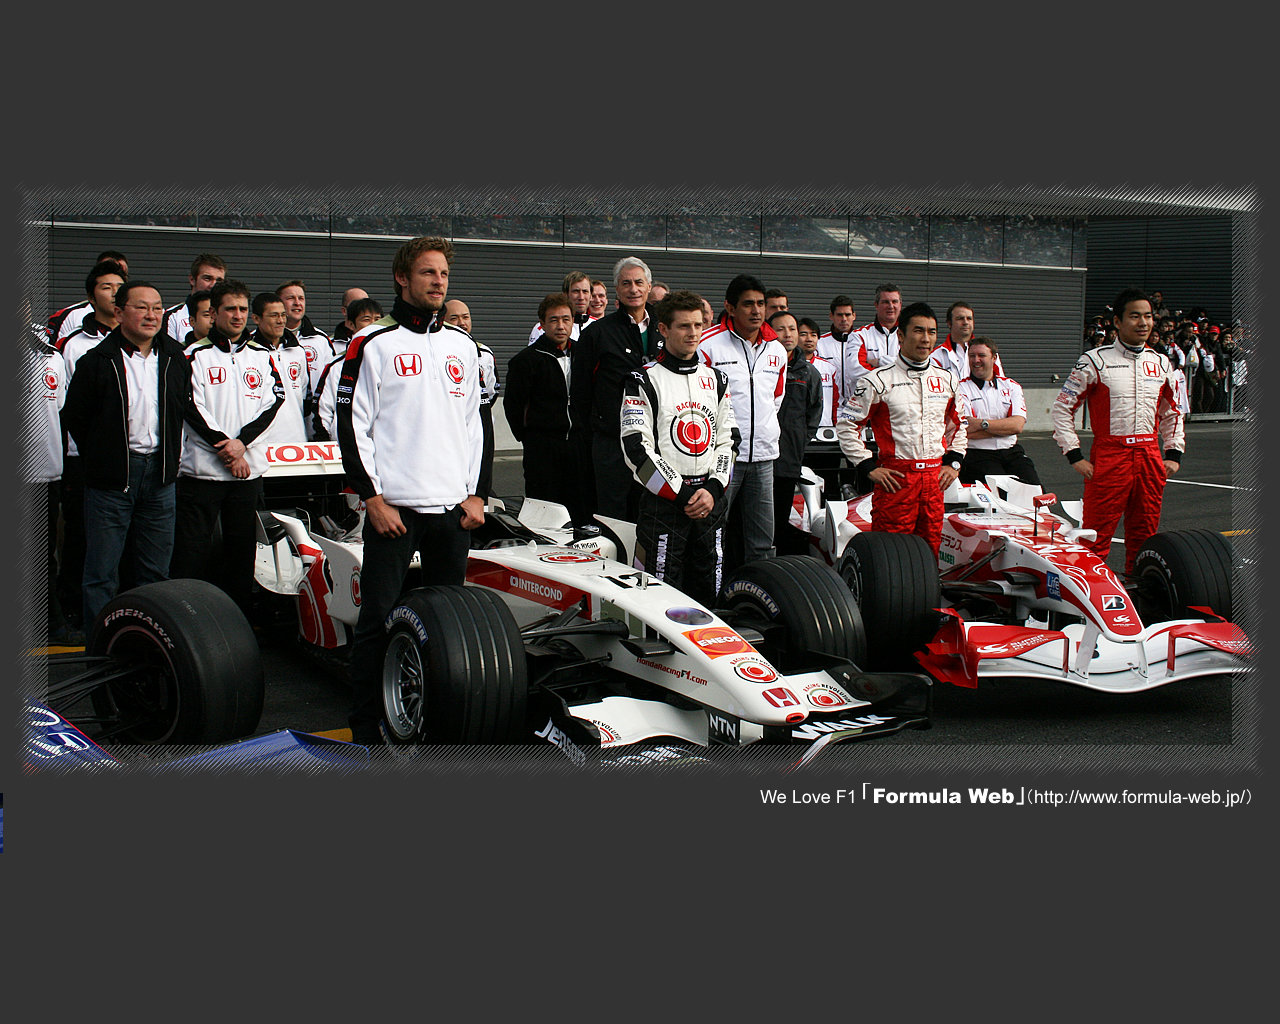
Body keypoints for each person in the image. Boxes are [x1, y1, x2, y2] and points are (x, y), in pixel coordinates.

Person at [335, 236, 486, 746]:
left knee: (447, 627)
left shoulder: (462, 345)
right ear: (402, 278)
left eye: (443, 273)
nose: (438, 282)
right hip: (394, 512)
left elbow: (475, 426)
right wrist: (372, 499)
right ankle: (365, 731)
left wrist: (476, 495)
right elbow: (352, 425)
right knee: (377, 621)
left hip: (453, 512)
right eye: (427, 272)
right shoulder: (372, 343)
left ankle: (434, 723)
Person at [62, 281, 191, 628]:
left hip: (160, 476)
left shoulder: (176, 358)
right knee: (102, 573)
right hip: (112, 479)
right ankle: (102, 646)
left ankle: (149, 641)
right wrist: (101, 458)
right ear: (119, 313)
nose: (152, 315)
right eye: (141, 307)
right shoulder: (96, 361)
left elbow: (181, 408)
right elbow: (75, 417)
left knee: (155, 572)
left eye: (157, 307)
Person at [171, 279, 285, 616]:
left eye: (242, 309)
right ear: (213, 313)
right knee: (192, 552)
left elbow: (273, 403)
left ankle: (236, 620)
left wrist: (241, 445)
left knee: (241, 555)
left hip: (247, 475)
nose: (237, 315)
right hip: (202, 474)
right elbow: (190, 407)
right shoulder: (193, 355)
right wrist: (227, 449)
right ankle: (187, 617)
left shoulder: (262, 356)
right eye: (230, 309)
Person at [1050, 287, 1184, 574]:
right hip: (1110, 455)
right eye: (1135, 316)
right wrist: (1074, 455)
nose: (1143, 323)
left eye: (1148, 316)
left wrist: (1173, 453)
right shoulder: (1094, 360)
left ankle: (1142, 592)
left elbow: (1172, 411)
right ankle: (1090, 592)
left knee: (1145, 536)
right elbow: (1062, 408)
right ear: (1117, 322)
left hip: (1149, 456)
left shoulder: (1161, 362)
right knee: (1095, 536)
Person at [620, 291, 738, 608]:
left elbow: (729, 440)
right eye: (684, 326)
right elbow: (636, 448)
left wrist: (713, 489)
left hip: (709, 500)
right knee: (657, 589)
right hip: (664, 503)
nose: (693, 333)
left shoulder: (717, 379)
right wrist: (683, 494)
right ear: (663, 329)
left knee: (709, 586)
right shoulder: (642, 379)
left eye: (698, 325)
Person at [836, 301, 967, 558]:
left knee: (929, 551)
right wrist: (867, 466)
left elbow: (958, 426)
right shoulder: (877, 380)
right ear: (901, 335)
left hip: (934, 480)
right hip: (897, 480)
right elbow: (848, 425)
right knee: (891, 554)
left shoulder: (948, 379)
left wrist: (954, 462)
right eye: (918, 330)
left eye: (931, 332)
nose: (925, 338)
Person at [55, 259, 127, 626]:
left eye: (119, 287)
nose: (113, 293)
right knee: (81, 535)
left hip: (131, 458)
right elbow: (66, 407)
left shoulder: (143, 342)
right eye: (105, 287)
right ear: (91, 296)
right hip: (82, 456)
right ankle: (73, 607)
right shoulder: (73, 345)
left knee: (124, 539)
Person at [699, 274, 787, 567]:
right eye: (748, 304)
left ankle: (760, 590)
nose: (756, 310)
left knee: (762, 542)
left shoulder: (776, 349)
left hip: (763, 457)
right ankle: (710, 590)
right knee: (711, 534)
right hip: (722, 458)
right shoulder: (708, 345)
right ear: (730, 307)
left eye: (761, 303)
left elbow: (775, 398)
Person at [569, 256, 661, 521]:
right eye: (626, 283)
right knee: (612, 514)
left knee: (650, 510)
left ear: (649, 286)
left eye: (639, 283)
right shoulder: (598, 333)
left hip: (655, 443)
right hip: (611, 444)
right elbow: (581, 391)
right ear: (617, 290)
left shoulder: (666, 328)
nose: (633, 289)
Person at [503, 293, 589, 525]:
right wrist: (530, 438)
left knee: (580, 507)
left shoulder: (583, 354)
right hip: (542, 448)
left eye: (566, 319)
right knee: (544, 509)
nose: (560, 326)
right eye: (553, 320)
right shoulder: (526, 360)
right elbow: (513, 404)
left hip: (578, 445)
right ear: (542, 324)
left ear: (573, 321)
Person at [22, 320, 78, 644]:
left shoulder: (51, 356)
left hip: (43, 472)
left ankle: (50, 623)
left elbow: (59, 411)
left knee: (43, 554)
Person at [769, 311, 822, 555]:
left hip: (789, 455)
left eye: (792, 329)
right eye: (780, 329)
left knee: (780, 516)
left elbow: (814, 413)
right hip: (757, 455)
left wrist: (799, 440)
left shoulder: (808, 373)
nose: (787, 334)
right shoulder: (762, 367)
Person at [956, 337, 1041, 488]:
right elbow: (965, 430)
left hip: (1011, 453)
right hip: (978, 455)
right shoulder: (960, 388)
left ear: (994, 358)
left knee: (1035, 491)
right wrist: (1005, 429)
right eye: (972, 356)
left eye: (981, 355)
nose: (976, 360)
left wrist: (982, 424)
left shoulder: (1012, 386)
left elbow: (1017, 426)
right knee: (1002, 494)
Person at [444, 298, 498, 502]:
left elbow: (491, 391)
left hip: (479, 428)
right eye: (454, 318)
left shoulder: (484, 353)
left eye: (465, 317)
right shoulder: (440, 352)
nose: (462, 323)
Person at [313, 297, 384, 440]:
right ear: (351, 324)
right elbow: (323, 413)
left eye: (378, 319)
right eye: (366, 319)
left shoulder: (393, 362)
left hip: (385, 448)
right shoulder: (336, 366)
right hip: (346, 447)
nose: (373, 324)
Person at [250, 292, 309, 444]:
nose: (281, 321)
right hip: (259, 442)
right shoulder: (247, 352)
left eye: (283, 315)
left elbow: (304, 395)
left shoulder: (297, 351)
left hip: (297, 439)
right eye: (274, 315)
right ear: (256, 318)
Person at [278, 279, 339, 413]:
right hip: (280, 417)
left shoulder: (321, 340)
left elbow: (332, 381)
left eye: (301, 298)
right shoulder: (262, 340)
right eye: (290, 298)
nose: (297, 303)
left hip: (314, 417)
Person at [48, 250, 129, 344]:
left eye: (120, 286)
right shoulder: (69, 318)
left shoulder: (139, 328)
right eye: (107, 287)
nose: (115, 293)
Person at [162, 254, 226, 342]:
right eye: (207, 279)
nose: (213, 285)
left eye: (219, 281)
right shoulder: (172, 316)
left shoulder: (230, 314)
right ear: (192, 279)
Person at [931, 301, 1003, 380]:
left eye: (969, 318)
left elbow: (1001, 383)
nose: (965, 322)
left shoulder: (988, 352)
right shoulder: (936, 356)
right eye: (960, 318)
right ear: (949, 323)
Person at [529, 271, 597, 344]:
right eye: (576, 291)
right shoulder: (542, 327)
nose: (581, 297)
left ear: (591, 296)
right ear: (565, 294)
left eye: (585, 291)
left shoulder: (598, 326)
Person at [799, 316, 838, 427]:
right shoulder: (786, 366)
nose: (809, 339)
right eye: (803, 334)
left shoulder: (829, 368)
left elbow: (836, 403)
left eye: (813, 335)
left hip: (824, 430)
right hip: (795, 431)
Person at [817, 294, 856, 364]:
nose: (844, 319)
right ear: (831, 316)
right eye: (839, 315)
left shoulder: (863, 342)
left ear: (854, 316)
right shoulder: (819, 343)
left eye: (847, 315)